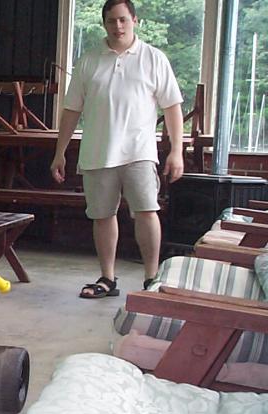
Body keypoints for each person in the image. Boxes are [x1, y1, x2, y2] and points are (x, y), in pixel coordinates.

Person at [50, 0, 184, 299]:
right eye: (112, 21)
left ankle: (151, 278)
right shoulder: (89, 61)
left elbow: (172, 107)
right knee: (102, 215)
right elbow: (71, 110)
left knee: (147, 211)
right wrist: (60, 152)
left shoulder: (154, 58)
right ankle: (107, 278)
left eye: (123, 19)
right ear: (104, 24)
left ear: (135, 20)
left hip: (139, 152)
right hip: (97, 153)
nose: (118, 26)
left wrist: (176, 151)